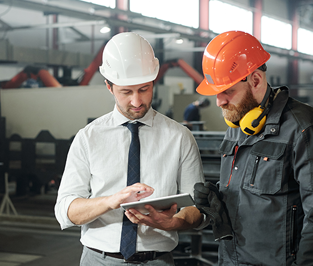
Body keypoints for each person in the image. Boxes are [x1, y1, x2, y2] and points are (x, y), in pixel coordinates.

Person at [193, 31, 313, 266]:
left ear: (255, 80)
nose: (219, 102)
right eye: (216, 93)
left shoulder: (306, 128)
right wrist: (216, 201)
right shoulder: (237, 128)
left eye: (228, 91)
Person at [55, 32, 205, 265]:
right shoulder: (89, 137)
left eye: (144, 89)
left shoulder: (179, 137)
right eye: (126, 92)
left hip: (157, 260)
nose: (137, 101)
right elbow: (66, 210)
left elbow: (198, 208)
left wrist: (172, 223)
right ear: (109, 86)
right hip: (99, 259)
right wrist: (112, 201)